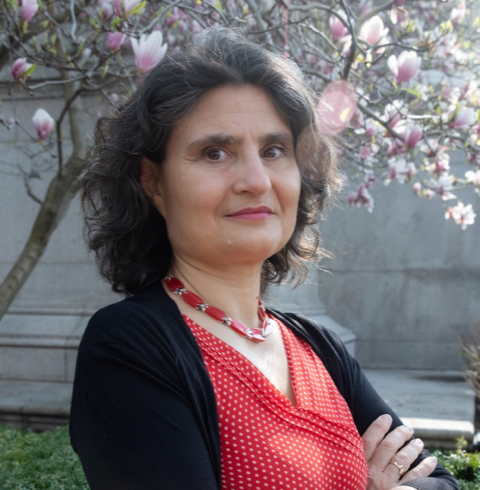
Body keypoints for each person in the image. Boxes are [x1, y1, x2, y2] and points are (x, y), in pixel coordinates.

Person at [70, 28, 459, 490]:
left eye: (275, 150)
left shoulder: (319, 347)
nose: (256, 180)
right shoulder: (130, 347)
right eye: (215, 152)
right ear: (153, 182)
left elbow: (441, 483)